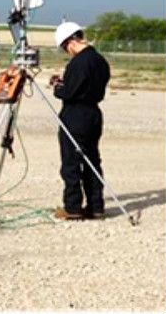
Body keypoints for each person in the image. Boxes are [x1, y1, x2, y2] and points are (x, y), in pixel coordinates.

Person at [50, 21, 110, 220]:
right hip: (93, 115)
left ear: (70, 42)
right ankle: (96, 206)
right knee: (92, 161)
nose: (67, 52)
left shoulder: (79, 62)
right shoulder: (100, 60)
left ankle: (72, 207)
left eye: (65, 47)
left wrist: (58, 87)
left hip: (76, 116)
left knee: (71, 163)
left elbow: (69, 92)